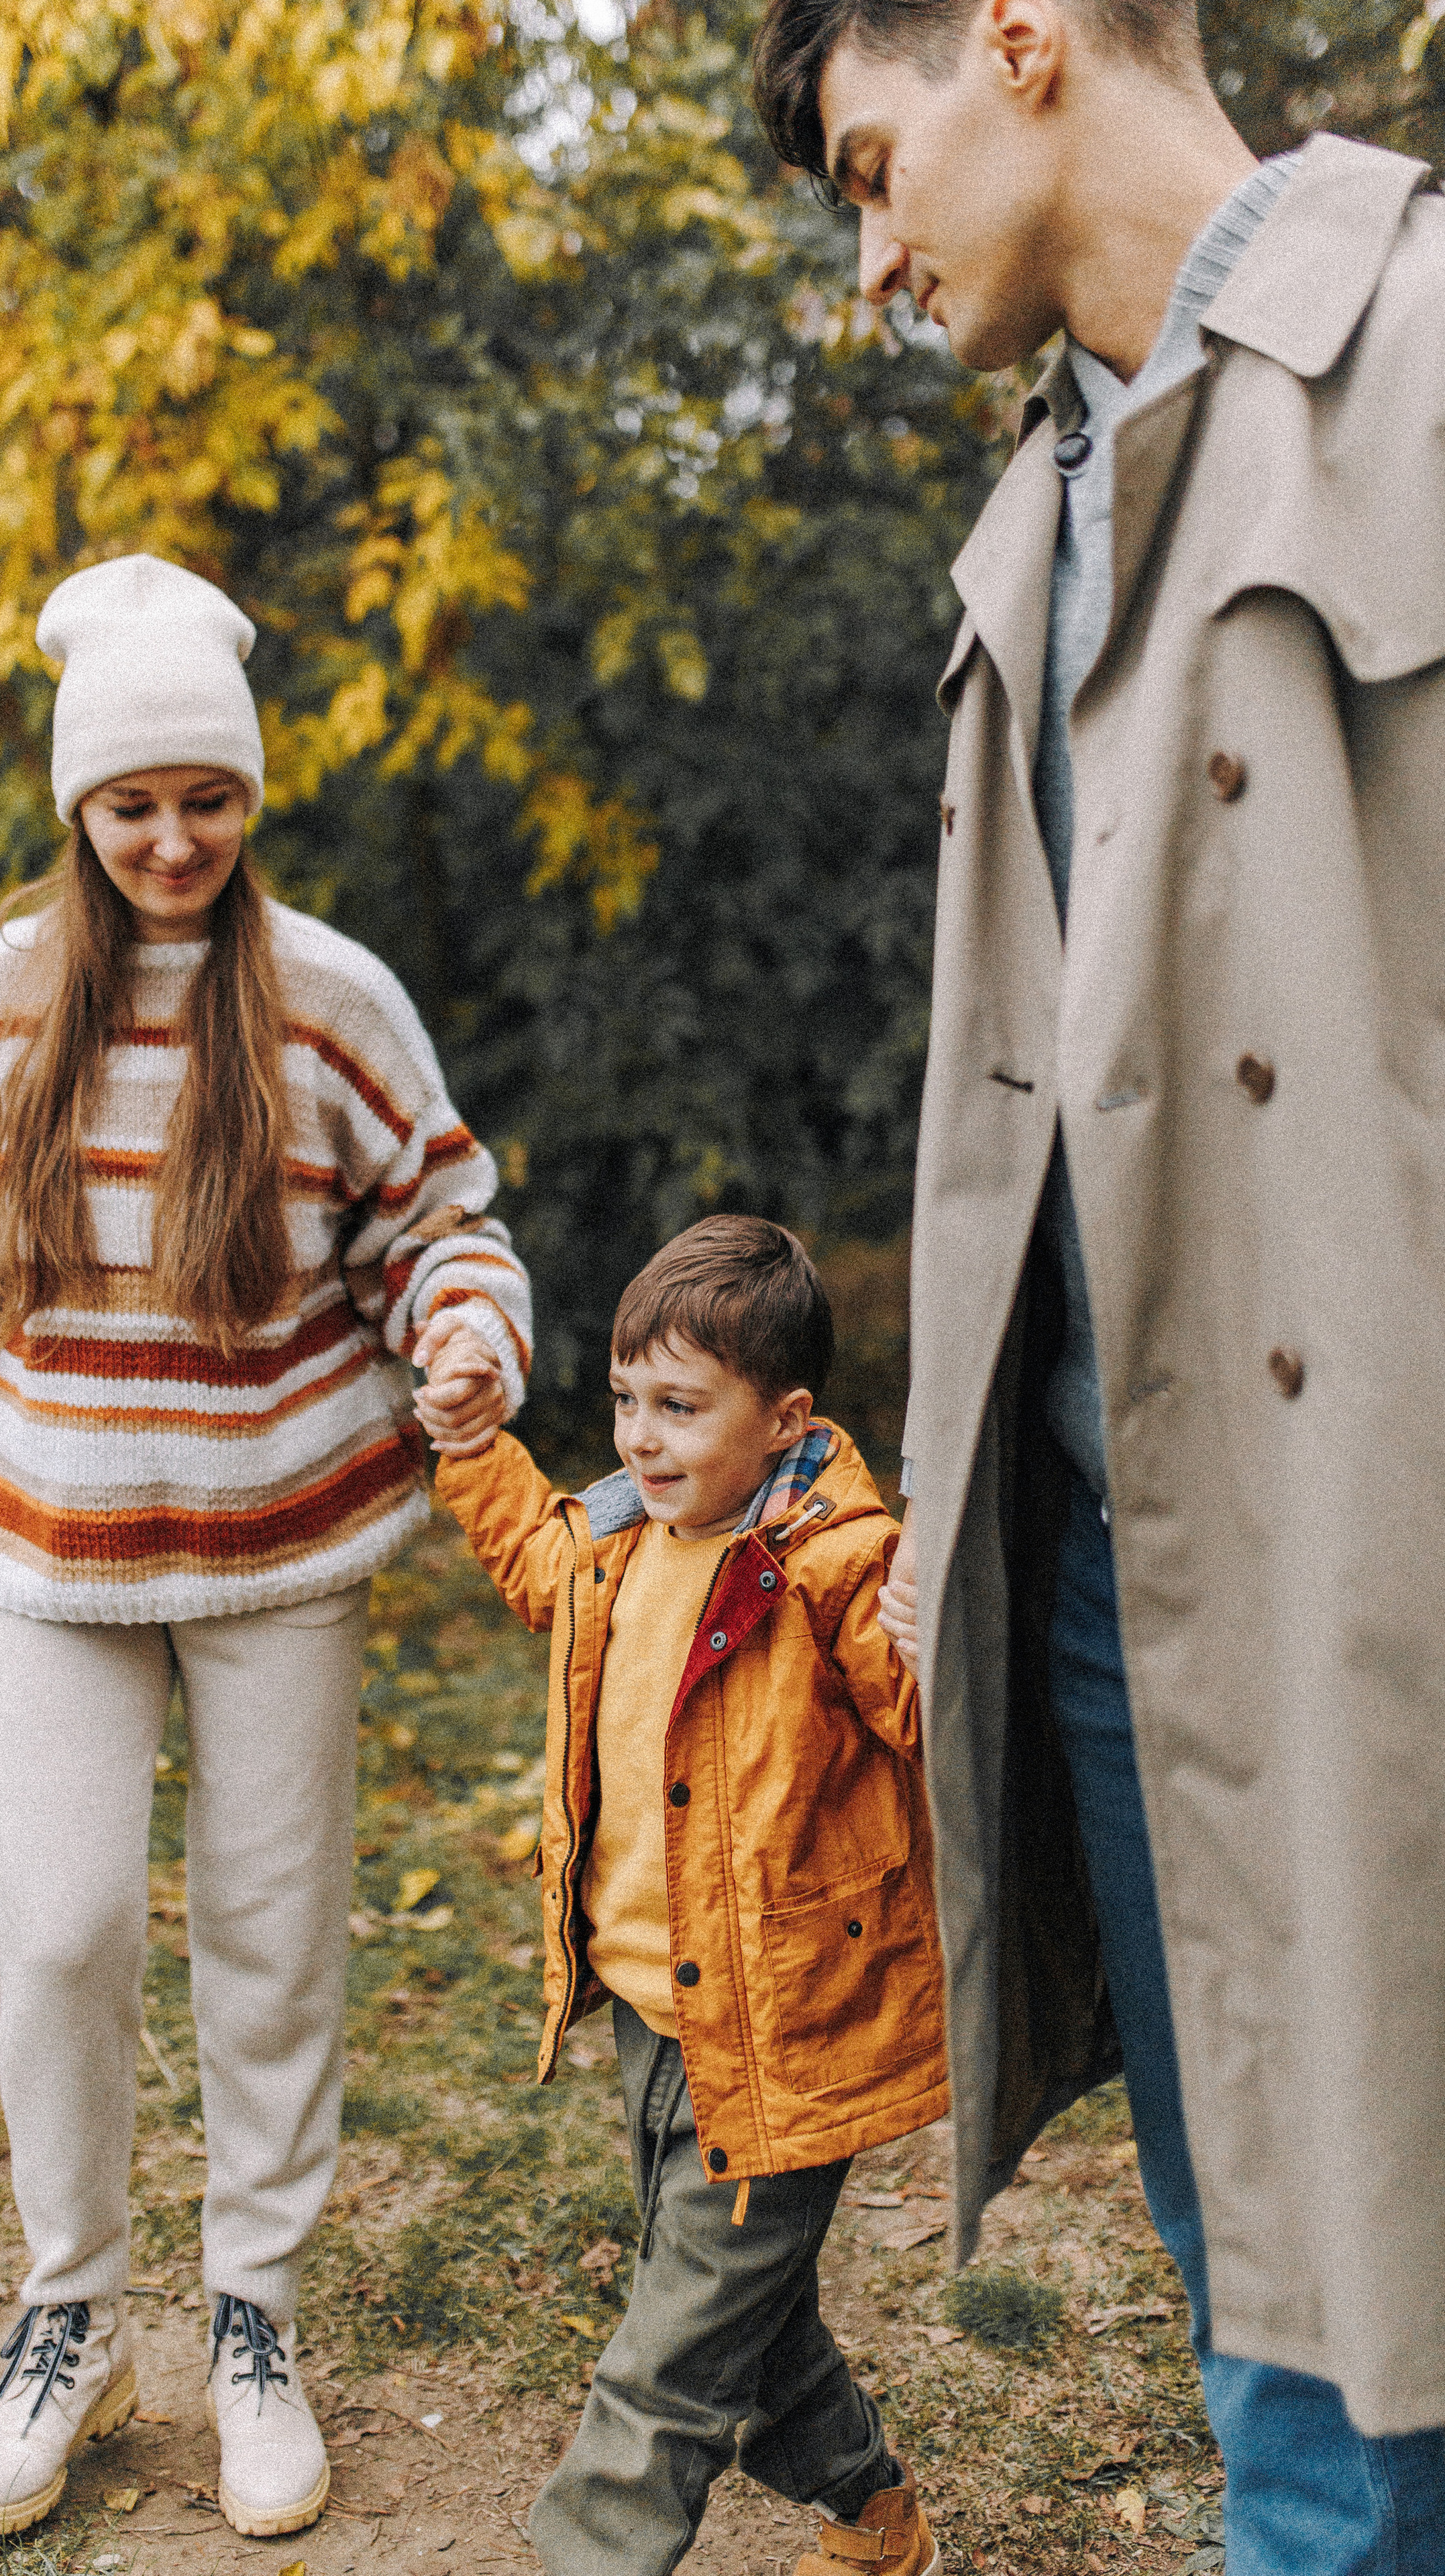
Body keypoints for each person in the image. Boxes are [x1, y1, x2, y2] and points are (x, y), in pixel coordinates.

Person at [749, 0, 1445, 2566]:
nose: (872, 253)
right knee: (1273, 2299)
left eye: (865, 162)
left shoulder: (1433, 352)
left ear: (1019, 41)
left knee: (1368, 2393)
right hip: (1103, 1615)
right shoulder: (1031, 517)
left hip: (1378, 1588)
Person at [0, 553, 530, 2540]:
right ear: (80, 809)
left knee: (268, 1941)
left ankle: (255, 2321)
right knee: (60, 1935)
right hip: (50, 1539)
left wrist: (466, 1338)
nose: (172, 840)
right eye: (134, 805)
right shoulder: (2, 995)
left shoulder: (330, 997)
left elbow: (444, 1222)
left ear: (252, 798)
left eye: (206, 800)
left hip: (281, 1539)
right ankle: (74, 2319)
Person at [417, 1216, 946, 2576]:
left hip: (783, 2030)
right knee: (740, 2321)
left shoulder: (831, 1570)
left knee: (668, 2356)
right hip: (650, 2018)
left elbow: (925, 1724)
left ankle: (585, 2551)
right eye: (625, 1403)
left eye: (679, 1409)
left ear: (782, 1420)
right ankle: (874, 2510)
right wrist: (475, 1451)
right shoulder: (619, 1544)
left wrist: (929, 1639)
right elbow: (536, 1565)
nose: (642, 1440)